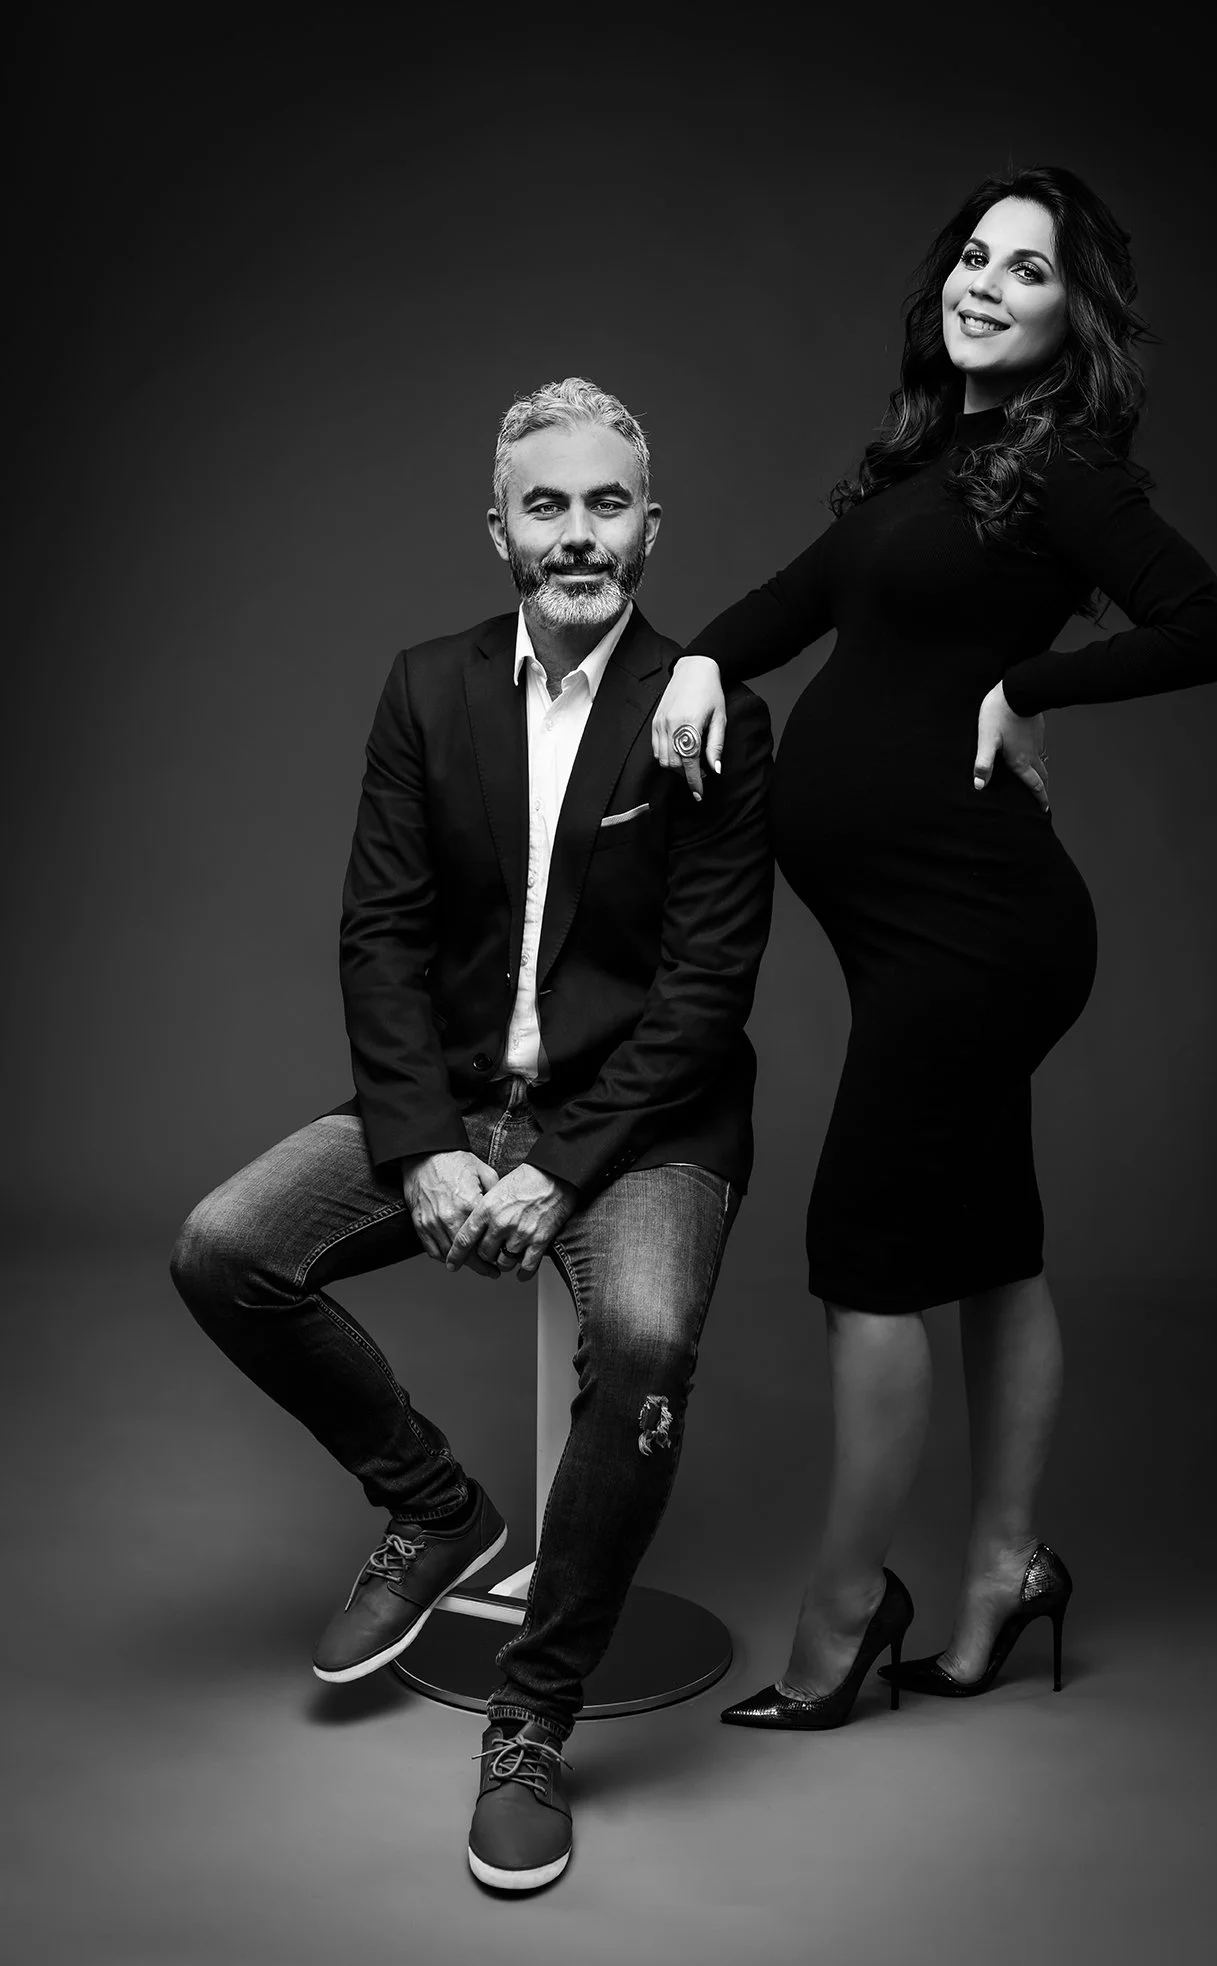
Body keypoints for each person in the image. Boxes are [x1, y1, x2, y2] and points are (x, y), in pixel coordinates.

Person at [650, 166, 1217, 1729]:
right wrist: (704, 663)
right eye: (971, 257)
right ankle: (1001, 1570)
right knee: (989, 1247)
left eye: (1026, 268)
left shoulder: (1063, 473)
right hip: (924, 934)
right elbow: (774, 611)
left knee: (864, 1262)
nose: (983, 283)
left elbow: (1207, 626)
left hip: (980, 933)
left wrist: (1030, 693)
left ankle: (848, 1613)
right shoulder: (930, 467)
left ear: (1073, 316)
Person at [170, 377, 774, 1887]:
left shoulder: (712, 710)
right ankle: (437, 1508)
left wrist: (555, 1167)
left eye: (608, 503)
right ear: (497, 526)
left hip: (645, 1122)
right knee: (225, 1247)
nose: (579, 535)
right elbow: (377, 934)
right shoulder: (424, 685)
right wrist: (434, 1143)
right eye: (546, 504)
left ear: (652, 526)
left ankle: (533, 1719)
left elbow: (704, 995)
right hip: (456, 1097)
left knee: (638, 1343)